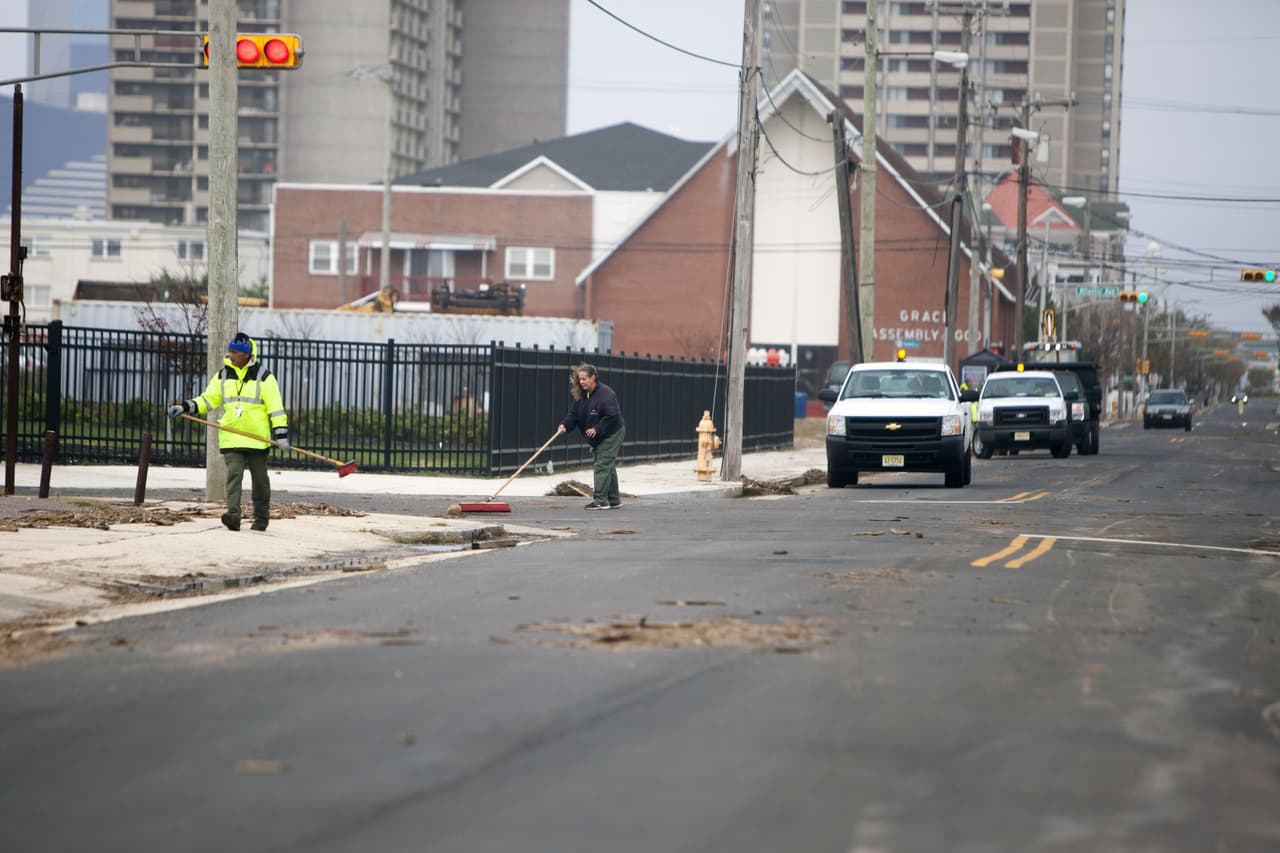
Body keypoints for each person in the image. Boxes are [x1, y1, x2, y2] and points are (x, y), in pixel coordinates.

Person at [168, 332, 290, 531]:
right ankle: (233, 516)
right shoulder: (223, 375)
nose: (230, 355)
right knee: (234, 475)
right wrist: (184, 407)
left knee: (260, 482)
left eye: (234, 352)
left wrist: (281, 435)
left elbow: (276, 408)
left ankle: (261, 518)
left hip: (257, 440)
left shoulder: (264, 377)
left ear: (245, 354)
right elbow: (208, 400)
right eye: (230, 351)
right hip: (231, 437)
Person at [557, 363, 626, 510]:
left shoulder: (606, 394)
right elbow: (574, 415)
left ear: (593, 377)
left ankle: (600, 500)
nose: (581, 382)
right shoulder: (583, 395)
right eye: (580, 379)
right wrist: (565, 425)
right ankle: (614, 500)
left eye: (584, 379)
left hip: (612, 432)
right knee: (608, 465)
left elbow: (612, 415)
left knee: (602, 464)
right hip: (599, 435)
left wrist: (597, 428)